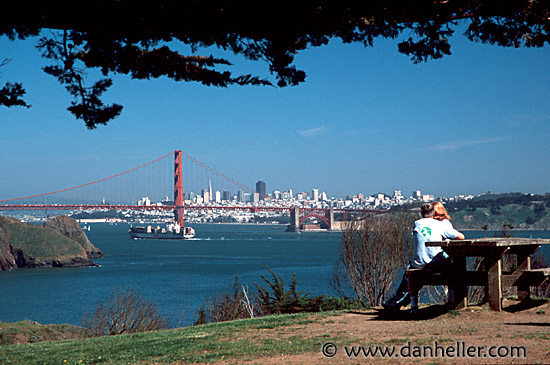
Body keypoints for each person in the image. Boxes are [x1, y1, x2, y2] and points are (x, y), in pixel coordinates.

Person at [382, 202, 464, 313]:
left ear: (421, 213)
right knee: (452, 266)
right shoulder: (440, 225)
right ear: (434, 212)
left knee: (411, 271)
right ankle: (452, 301)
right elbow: (460, 236)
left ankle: (400, 301)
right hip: (436, 263)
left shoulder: (416, 224)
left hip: (418, 264)